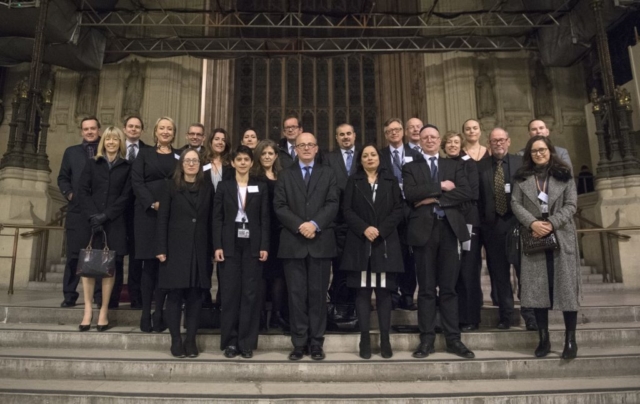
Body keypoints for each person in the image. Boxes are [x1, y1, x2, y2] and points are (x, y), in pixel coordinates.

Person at [403, 124, 475, 359]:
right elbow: (411, 194)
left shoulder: (453, 165)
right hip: (423, 232)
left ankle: (454, 339)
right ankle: (427, 340)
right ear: (420, 141)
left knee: (448, 288)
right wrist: (440, 187)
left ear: (439, 141)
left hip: (450, 230)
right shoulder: (410, 167)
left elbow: (466, 192)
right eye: (426, 137)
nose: (430, 140)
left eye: (434, 137)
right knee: (425, 289)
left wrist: (432, 199)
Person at [512, 135, 581, 359]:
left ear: (550, 151)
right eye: (534, 151)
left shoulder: (564, 175)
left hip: (561, 236)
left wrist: (551, 223)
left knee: (567, 290)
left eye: (542, 150)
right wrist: (532, 222)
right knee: (538, 290)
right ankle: (543, 339)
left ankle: (570, 340)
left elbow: (571, 204)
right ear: (529, 155)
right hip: (534, 236)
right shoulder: (522, 178)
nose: (539, 154)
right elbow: (515, 203)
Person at [274, 132, 339, 361]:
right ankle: (299, 342)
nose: (307, 148)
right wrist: (300, 225)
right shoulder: (285, 175)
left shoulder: (328, 173)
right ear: (296, 149)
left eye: (311, 144)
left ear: (317, 148)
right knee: (296, 296)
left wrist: (314, 224)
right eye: (302, 145)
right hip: (294, 243)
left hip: (320, 243)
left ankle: (316, 343)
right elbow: (279, 206)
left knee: (318, 295)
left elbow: (333, 203)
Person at [341, 143, 404, 359]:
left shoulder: (390, 180)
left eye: (373, 155)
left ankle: (385, 338)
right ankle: (365, 338)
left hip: (384, 243)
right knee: (363, 292)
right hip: (360, 243)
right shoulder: (354, 181)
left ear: (379, 158)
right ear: (360, 160)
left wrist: (381, 230)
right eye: (365, 155)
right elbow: (346, 210)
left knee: (384, 292)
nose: (369, 158)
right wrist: (364, 228)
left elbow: (399, 209)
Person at [156, 148, 214, 358]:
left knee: (195, 297)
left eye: (195, 161)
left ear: (200, 165)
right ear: (181, 164)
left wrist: (214, 247)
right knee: (175, 296)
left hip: (199, 248)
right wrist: (161, 248)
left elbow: (211, 220)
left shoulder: (207, 187)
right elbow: (162, 218)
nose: (191, 164)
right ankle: (175, 340)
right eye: (187, 160)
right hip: (175, 248)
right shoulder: (170, 186)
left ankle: (190, 340)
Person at [477, 128, 537, 330]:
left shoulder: (521, 164)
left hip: (517, 225)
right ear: (489, 143)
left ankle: (530, 316)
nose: (498, 144)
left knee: (524, 272)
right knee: (499, 274)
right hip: (492, 228)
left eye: (502, 140)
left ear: (508, 141)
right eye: (494, 141)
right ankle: (506, 316)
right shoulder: (481, 166)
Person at [214, 146, 270, 359]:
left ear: (251, 163)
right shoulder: (224, 186)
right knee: (229, 294)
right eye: (239, 159)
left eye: (247, 159)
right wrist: (217, 245)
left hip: (253, 244)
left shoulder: (260, 187)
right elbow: (217, 218)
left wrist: (264, 245)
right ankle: (230, 341)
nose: (243, 163)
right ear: (233, 163)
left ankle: (246, 342)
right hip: (229, 242)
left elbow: (265, 218)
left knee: (250, 294)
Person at [77, 126, 132, 332]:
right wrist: (94, 216)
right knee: (88, 268)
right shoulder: (93, 163)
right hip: (91, 223)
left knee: (109, 269)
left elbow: (126, 196)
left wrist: (106, 215)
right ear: (103, 142)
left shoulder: (127, 166)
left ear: (120, 142)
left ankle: (103, 311)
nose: (111, 143)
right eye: (107, 139)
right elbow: (83, 190)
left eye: (115, 139)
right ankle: (88, 311)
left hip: (114, 223)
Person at [131, 116, 178, 333]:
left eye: (169, 129)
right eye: (162, 128)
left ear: (174, 133)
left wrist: (168, 206)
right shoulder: (145, 153)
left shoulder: (179, 156)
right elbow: (137, 181)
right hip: (148, 216)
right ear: (155, 131)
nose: (166, 132)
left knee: (165, 267)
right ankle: (144, 314)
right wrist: (152, 203)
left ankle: (160, 312)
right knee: (149, 266)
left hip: (171, 217)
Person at [379, 118, 423, 311]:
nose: (394, 133)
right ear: (386, 134)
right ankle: (391, 294)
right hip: (388, 211)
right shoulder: (380, 155)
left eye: (397, 130)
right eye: (390, 131)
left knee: (409, 256)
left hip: (412, 210)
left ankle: (407, 295)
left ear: (402, 132)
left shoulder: (415, 154)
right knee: (390, 254)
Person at [57, 116, 101, 308]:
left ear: (99, 130)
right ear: (81, 131)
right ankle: (69, 295)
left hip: (99, 212)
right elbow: (63, 177)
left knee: (99, 255)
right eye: (86, 129)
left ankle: (99, 297)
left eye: (93, 128)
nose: (89, 132)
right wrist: (70, 195)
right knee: (74, 256)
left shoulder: (106, 150)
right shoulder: (71, 152)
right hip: (77, 212)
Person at [442, 131, 483, 332]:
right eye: (449, 142)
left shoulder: (469, 164)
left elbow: (472, 192)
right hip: (449, 220)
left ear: (461, 145)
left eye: (456, 142)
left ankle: (471, 317)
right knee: (451, 271)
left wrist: (448, 193)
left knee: (468, 270)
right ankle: (453, 317)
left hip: (468, 219)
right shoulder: (441, 164)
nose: (452, 145)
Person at [324, 123, 360, 328]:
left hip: (359, 221)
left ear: (354, 136)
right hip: (336, 221)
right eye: (341, 135)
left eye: (349, 133)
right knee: (338, 266)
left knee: (355, 267)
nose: (345, 137)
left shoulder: (364, 155)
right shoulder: (328, 158)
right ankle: (338, 308)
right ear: (336, 138)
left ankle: (352, 307)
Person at [250, 139, 288, 331]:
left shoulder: (282, 176)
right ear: (258, 156)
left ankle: (276, 314)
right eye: (263, 154)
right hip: (259, 231)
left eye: (270, 154)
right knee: (262, 275)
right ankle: (260, 316)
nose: (267, 157)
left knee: (279, 275)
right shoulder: (252, 177)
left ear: (276, 156)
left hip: (280, 232)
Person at [202, 127, 233, 307]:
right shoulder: (200, 161)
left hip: (224, 217)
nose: (220, 142)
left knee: (224, 260)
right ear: (211, 141)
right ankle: (204, 299)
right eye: (217, 139)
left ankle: (223, 300)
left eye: (223, 139)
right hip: (204, 215)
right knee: (205, 260)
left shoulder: (231, 164)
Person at [123, 115, 149, 309]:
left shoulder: (147, 151)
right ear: (124, 129)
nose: (133, 129)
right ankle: (106, 295)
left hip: (140, 209)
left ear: (142, 130)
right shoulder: (116, 147)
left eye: (137, 127)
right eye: (130, 126)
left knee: (136, 256)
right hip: (117, 209)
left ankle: (136, 295)